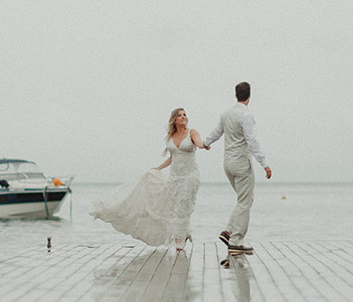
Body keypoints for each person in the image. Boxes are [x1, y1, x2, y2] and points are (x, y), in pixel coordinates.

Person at [91, 108, 206, 251]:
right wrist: (158, 168)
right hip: (175, 177)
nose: (183, 117)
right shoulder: (171, 137)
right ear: (174, 120)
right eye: (179, 115)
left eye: (185, 115)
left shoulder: (192, 132)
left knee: (183, 206)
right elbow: (172, 157)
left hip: (190, 176)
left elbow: (199, 143)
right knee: (173, 207)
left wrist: (204, 144)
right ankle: (186, 231)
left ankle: (179, 240)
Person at [204, 82, 271, 254]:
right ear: (249, 96)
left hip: (227, 163)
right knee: (245, 201)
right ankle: (236, 241)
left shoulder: (226, 113)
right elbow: (252, 141)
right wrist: (264, 164)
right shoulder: (246, 115)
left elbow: (217, 132)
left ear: (236, 94)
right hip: (241, 163)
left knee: (243, 200)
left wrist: (206, 143)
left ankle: (228, 231)